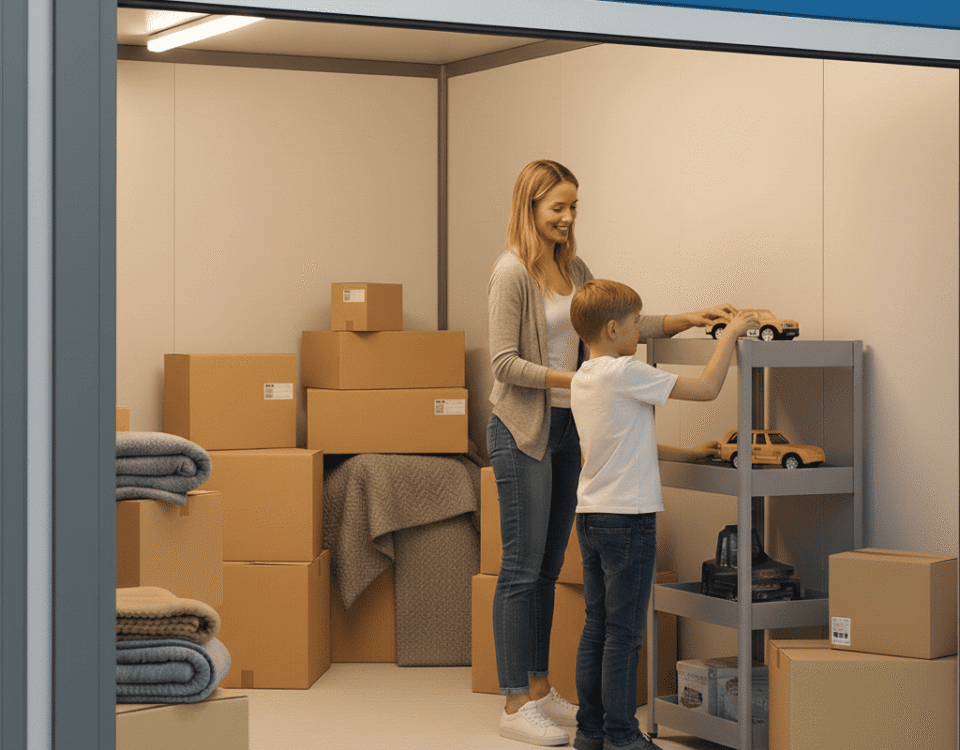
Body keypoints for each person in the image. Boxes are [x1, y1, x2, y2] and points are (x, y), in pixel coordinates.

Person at [486, 159, 737, 747]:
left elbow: (610, 324)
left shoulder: (573, 267)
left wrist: (682, 320)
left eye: (574, 206)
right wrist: (581, 381)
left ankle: (541, 686)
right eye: (557, 208)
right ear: (530, 207)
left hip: (574, 426)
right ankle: (513, 699)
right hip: (523, 428)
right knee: (522, 570)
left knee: (550, 567)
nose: (568, 217)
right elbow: (502, 364)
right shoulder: (511, 272)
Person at [567, 279, 758, 750]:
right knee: (625, 636)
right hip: (628, 521)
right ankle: (622, 737)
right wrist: (732, 333)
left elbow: (625, 443)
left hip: (592, 517)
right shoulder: (622, 371)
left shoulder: (584, 377)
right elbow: (707, 388)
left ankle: (590, 733)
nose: (640, 330)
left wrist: (689, 454)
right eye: (635, 323)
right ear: (613, 328)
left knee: (597, 627)